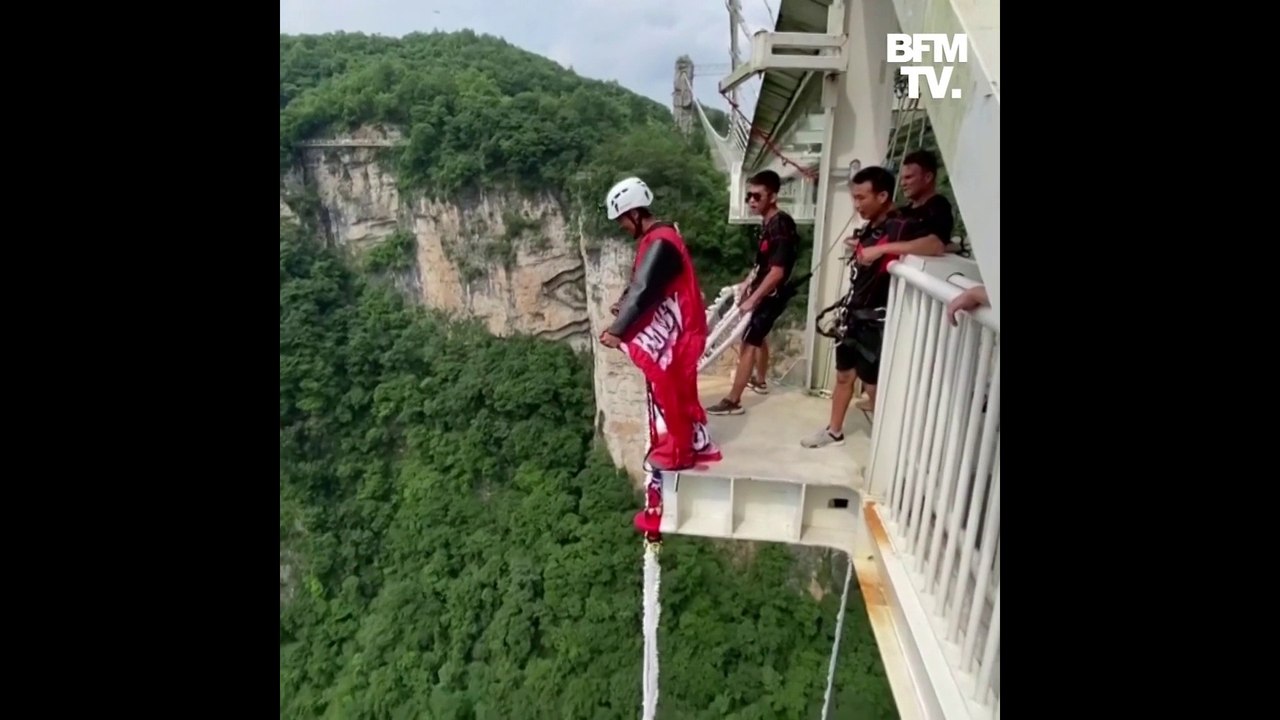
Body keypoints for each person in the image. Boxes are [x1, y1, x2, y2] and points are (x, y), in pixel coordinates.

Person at [801, 165, 946, 449]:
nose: (857, 205)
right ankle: (834, 431)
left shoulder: (900, 225)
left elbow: (935, 245)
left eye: (862, 198)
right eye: (854, 198)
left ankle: (889, 445)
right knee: (844, 376)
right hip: (855, 314)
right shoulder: (874, 226)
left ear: (882, 196)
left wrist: (882, 250)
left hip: (874, 321)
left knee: (872, 384)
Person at [598, 176, 721, 471]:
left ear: (635, 213)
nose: (622, 226)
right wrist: (622, 304)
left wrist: (618, 331)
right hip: (680, 327)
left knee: (673, 390)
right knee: (673, 389)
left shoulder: (661, 242)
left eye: (622, 220)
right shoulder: (659, 238)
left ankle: (679, 453)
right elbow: (642, 283)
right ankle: (685, 443)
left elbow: (643, 288)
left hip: (682, 331)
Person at [705, 170, 801, 415]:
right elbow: (764, 264)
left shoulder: (780, 224)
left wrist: (754, 299)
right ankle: (759, 379)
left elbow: (778, 271)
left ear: (773, 196)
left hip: (771, 293)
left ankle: (733, 401)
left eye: (757, 196)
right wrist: (748, 282)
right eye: (748, 196)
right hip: (763, 289)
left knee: (749, 340)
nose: (751, 201)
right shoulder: (769, 223)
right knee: (759, 334)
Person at [897, 149, 961, 255]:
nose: (902, 183)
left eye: (908, 177)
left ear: (928, 177)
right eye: (902, 178)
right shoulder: (903, 211)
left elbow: (937, 243)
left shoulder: (939, 207)